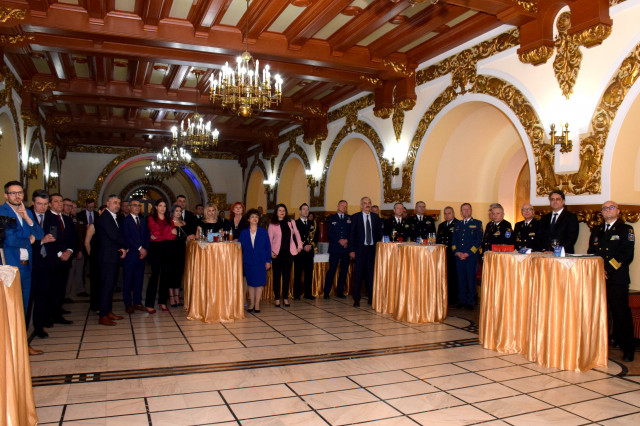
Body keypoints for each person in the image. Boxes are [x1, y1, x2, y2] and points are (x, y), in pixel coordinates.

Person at [588, 201, 636, 362]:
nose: (608, 210)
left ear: (618, 211)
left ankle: (628, 349)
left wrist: (607, 269)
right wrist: (598, 269)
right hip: (598, 277)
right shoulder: (597, 230)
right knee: (597, 312)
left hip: (616, 279)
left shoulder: (626, 229)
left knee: (621, 314)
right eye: (605, 208)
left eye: (611, 208)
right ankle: (597, 347)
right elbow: (591, 252)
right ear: (601, 213)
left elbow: (626, 254)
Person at [1, 181, 45, 355]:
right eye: (13, 193)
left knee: (24, 307)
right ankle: (11, 348)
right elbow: (10, 240)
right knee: (11, 308)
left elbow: (40, 234)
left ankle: (23, 345)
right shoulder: (3, 212)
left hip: (26, 266)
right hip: (11, 266)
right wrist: (29, 239)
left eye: (20, 192)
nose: (17, 196)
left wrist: (27, 219)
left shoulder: (27, 211)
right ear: (6, 195)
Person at [43, 192, 76, 325]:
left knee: (60, 288)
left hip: (66, 259)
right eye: (56, 201)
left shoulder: (67, 220)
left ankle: (57, 314)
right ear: (50, 204)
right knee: (49, 289)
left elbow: (73, 238)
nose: (60, 204)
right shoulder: (46, 218)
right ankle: (47, 316)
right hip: (52, 260)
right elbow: (48, 238)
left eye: (61, 201)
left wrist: (69, 251)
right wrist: (59, 253)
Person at [95, 194, 128, 325]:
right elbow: (114, 236)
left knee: (111, 286)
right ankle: (103, 315)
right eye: (114, 202)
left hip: (112, 256)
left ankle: (108, 311)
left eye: (118, 203)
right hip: (107, 257)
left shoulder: (114, 217)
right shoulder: (105, 217)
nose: (117, 205)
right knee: (107, 286)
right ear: (108, 204)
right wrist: (126, 246)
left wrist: (122, 247)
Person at [29, 190, 55, 340]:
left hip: (46, 263)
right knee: (29, 297)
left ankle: (39, 326)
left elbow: (56, 237)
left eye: (45, 204)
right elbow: (25, 240)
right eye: (39, 204)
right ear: (33, 203)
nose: (42, 207)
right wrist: (41, 241)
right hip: (31, 263)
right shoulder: (26, 216)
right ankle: (25, 327)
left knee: (43, 295)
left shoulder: (50, 217)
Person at [348, 196, 382, 307]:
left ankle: (371, 298)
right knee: (358, 275)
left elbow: (379, 234)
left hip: (372, 250)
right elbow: (351, 235)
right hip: (359, 250)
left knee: (371, 275)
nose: (367, 205)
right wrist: (351, 250)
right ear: (361, 205)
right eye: (365, 203)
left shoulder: (376, 217)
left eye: (369, 203)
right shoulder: (355, 217)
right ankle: (356, 299)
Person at [268, 203, 302, 307]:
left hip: (288, 253)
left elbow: (297, 233)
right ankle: (277, 298)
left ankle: (286, 298)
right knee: (277, 277)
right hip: (276, 254)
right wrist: (270, 252)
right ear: (276, 212)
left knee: (287, 276)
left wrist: (299, 245)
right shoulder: (272, 224)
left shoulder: (291, 222)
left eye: (283, 210)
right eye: (280, 210)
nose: (282, 212)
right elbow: (269, 240)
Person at [122, 198, 152, 314]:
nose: (137, 207)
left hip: (141, 256)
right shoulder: (126, 221)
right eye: (134, 205)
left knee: (139, 279)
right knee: (128, 280)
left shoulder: (143, 221)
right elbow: (127, 238)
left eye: (139, 205)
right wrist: (140, 248)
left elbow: (147, 237)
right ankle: (128, 304)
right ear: (129, 207)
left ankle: (138, 302)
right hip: (131, 255)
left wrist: (145, 250)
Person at [239, 209, 272, 313]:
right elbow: (240, 248)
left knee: (259, 283)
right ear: (248, 219)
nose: (255, 218)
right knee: (251, 283)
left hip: (261, 261)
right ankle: (251, 303)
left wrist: (268, 261)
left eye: (256, 217)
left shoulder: (263, 231)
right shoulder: (243, 233)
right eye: (252, 217)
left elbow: (268, 247)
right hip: (248, 261)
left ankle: (257, 304)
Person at [146, 200, 176, 312]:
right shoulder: (151, 218)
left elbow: (174, 236)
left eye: (164, 206)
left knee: (165, 275)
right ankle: (149, 304)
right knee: (154, 275)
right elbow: (156, 233)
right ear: (156, 207)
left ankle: (162, 302)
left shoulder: (169, 219)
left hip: (168, 248)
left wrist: (162, 234)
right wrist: (168, 232)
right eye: (160, 206)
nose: (163, 208)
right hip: (156, 249)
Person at [452, 203, 483, 310]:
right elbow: (454, 241)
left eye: (468, 209)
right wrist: (457, 252)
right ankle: (462, 300)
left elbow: (478, 241)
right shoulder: (457, 224)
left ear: (471, 210)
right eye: (464, 210)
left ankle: (470, 302)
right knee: (461, 279)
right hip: (459, 257)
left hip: (471, 257)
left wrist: (468, 253)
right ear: (461, 212)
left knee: (470, 280)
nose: (466, 211)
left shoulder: (477, 223)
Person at [323, 200, 351, 299]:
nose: (344, 207)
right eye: (342, 205)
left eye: (345, 206)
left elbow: (352, 232)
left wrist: (347, 240)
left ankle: (340, 291)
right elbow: (329, 232)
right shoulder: (331, 218)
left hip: (345, 249)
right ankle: (326, 292)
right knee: (332, 270)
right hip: (335, 248)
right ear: (338, 206)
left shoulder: (349, 218)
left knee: (343, 271)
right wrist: (339, 240)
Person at [294, 203, 318, 300]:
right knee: (298, 274)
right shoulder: (295, 223)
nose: (306, 211)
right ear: (300, 211)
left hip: (309, 252)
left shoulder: (313, 223)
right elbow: (294, 237)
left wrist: (311, 245)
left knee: (309, 274)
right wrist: (303, 246)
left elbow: (315, 237)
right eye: (304, 209)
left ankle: (308, 293)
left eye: (307, 209)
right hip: (300, 252)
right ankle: (297, 294)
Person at [84, 205, 106, 312]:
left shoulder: (108, 225)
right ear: (100, 212)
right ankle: (95, 305)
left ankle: (103, 304)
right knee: (96, 282)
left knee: (104, 282)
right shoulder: (93, 225)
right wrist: (91, 255)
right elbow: (87, 242)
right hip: (96, 257)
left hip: (105, 257)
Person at [436, 206, 459, 306]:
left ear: (453, 213)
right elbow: (438, 240)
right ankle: (444, 297)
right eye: (445, 214)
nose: (447, 215)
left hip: (453, 254)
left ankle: (453, 298)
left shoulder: (458, 224)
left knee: (453, 277)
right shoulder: (441, 225)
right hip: (443, 254)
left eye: (449, 213)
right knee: (444, 276)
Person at [170, 204, 188, 307]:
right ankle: (171, 297)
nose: (178, 213)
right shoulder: (169, 223)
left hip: (181, 251)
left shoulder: (184, 223)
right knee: (171, 274)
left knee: (178, 274)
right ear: (172, 212)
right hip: (171, 251)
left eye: (180, 211)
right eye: (176, 211)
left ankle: (177, 296)